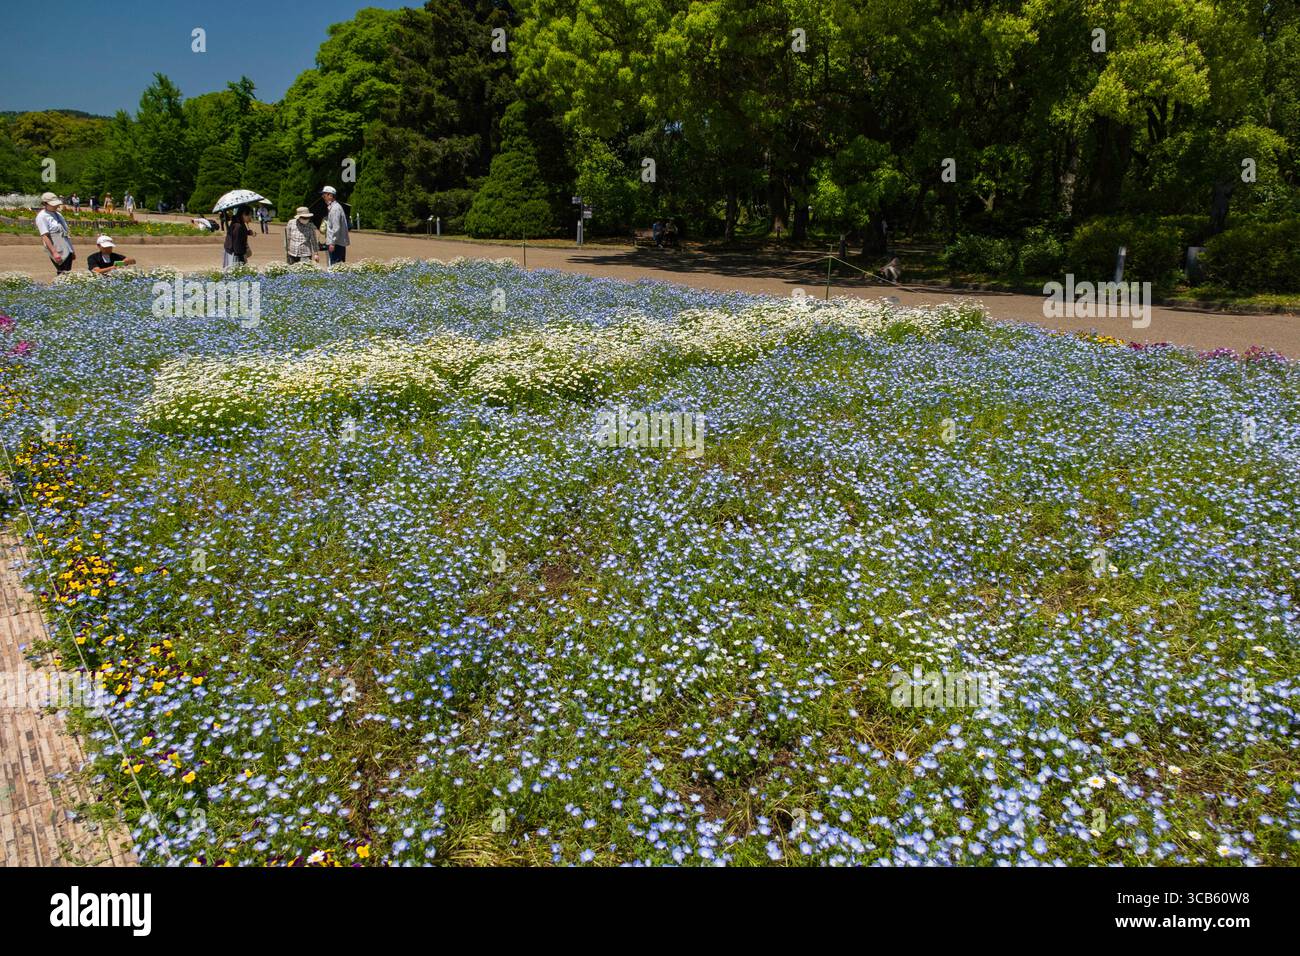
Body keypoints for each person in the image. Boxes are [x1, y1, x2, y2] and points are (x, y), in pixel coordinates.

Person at [35, 192, 75, 274]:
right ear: (45, 204)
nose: (56, 206)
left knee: (67, 272)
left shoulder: (58, 214)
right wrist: (54, 252)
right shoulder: (42, 216)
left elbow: (66, 233)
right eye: (53, 204)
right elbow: (45, 236)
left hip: (67, 247)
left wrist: (72, 250)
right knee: (62, 273)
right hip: (57, 248)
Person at [322, 185, 349, 266]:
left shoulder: (335, 208)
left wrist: (332, 243)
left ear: (330, 195)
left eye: (324, 194)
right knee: (336, 266)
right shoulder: (333, 207)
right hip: (337, 242)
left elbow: (336, 227)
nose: (323, 196)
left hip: (336, 243)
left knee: (335, 266)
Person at [223, 205, 254, 270]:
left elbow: (239, 233)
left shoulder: (239, 222)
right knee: (235, 272)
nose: (250, 217)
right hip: (235, 253)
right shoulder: (238, 225)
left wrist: (248, 232)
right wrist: (241, 257)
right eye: (249, 215)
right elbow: (236, 243)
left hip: (233, 251)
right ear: (243, 214)